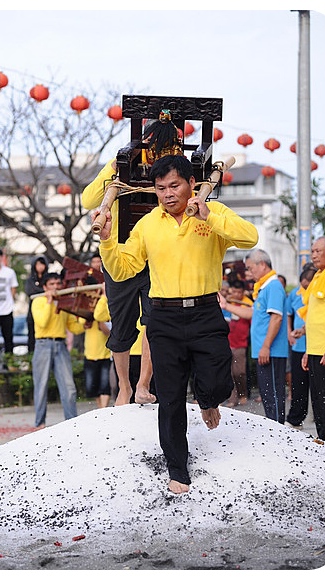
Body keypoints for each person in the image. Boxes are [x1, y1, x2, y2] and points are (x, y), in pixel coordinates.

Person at [96, 154, 258, 493]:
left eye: (175, 186)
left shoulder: (211, 214)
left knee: (217, 382)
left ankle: (207, 399)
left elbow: (250, 238)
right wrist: (108, 240)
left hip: (205, 313)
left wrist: (210, 216)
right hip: (163, 317)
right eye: (161, 188)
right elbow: (123, 269)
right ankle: (178, 471)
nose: (168, 194)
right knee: (168, 398)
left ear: (190, 185)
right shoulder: (148, 224)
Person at [82, 159, 155, 406]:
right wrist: (113, 168)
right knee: (121, 325)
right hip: (117, 257)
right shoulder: (120, 169)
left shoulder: (168, 171)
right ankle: (125, 386)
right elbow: (87, 200)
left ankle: (143, 384)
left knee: (153, 322)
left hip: (153, 257)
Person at [220, 249, 288, 425]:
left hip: (270, 351)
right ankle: (274, 427)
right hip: (263, 350)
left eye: (250, 268)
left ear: (262, 265)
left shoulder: (273, 285)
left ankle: (278, 431)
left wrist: (266, 346)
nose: (249, 273)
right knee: (267, 395)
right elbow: (252, 313)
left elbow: (277, 317)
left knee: (273, 394)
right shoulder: (264, 286)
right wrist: (227, 306)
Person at [297, 236, 325, 446]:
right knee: (320, 403)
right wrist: (307, 350)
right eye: (312, 251)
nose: (313, 255)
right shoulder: (319, 276)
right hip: (315, 350)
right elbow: (316, 317)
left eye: (317, 251)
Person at [31, 272, 85, 429]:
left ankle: (72, 423)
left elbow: (73, 327)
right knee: (41, 386)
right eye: (52, 285)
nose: (56, 287)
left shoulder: (64, 302)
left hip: (60, 346)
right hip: (43, 345)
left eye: (58, 284)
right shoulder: (38, 301)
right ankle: (39, 424)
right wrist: (49, 302)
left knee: (69, 388)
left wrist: (84, 323)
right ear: (44, 287)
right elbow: (42, 322)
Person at [285, 264, 317, 429]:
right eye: (302, 285)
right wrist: (290, 332)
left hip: (317, 346)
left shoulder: (318, 294)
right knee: (299, 384)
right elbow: (289, 314)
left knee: (318, 386)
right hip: (299, 346)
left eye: (307, 286)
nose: (304, 288)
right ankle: (295, 418)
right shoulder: (295, 294)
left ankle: (320, 419)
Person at [224, 279, 253, 407]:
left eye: (239, 292)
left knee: (239, 372)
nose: (236, 294)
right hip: (228, 342)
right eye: (234, 291)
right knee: (228, 372)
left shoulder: (247, 305)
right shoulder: (227, 303)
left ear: (243, 292)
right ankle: (232, 399)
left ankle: (243, 394)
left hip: (241, 343)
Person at [81, 291, 112, 409]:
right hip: (90, 353)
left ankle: (103, 408)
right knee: (92, 386)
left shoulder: (106, 305)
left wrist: (103, 297)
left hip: (105, 353)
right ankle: (100, 409)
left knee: (105, 385)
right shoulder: (85, 308)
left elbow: (106, 329)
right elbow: (80, 324)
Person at [24, 254, 49, 353]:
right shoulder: (30, 280)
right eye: (38, 264)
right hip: (33, 311)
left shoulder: (48, 278)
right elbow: (30, 292)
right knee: (32, 335)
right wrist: (44, 293)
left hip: (47, 309)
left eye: (42, 264)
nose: (40, 267)